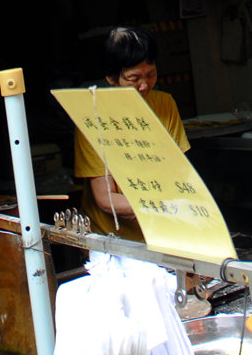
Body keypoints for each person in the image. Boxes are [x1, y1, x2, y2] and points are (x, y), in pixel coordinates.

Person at [74, 25, 190, 241]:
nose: (145, 85)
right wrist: (165, 206)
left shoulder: (165, 104)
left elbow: (179, 174)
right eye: (134, 78)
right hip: (111, 239)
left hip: (160, 232)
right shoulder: (93, 117)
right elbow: (105, 199)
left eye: (150, 74)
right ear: (112, 78)